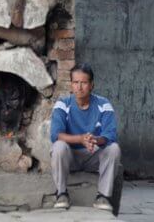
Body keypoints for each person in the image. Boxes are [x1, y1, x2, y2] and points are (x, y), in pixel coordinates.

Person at [50, 63, 121, 212]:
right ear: (71, 85)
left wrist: (94, 140)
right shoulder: (63, 103)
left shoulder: (103, 104)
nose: (79, 87)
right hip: (70, 157)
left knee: (113, 148)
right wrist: (81, 139)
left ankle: (103, 196)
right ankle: (61, 194)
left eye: (84, 82)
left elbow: (110, 134)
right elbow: (56, 134)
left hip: (93, 155)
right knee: (58, 146)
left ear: (92, 85)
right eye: (76, 82)